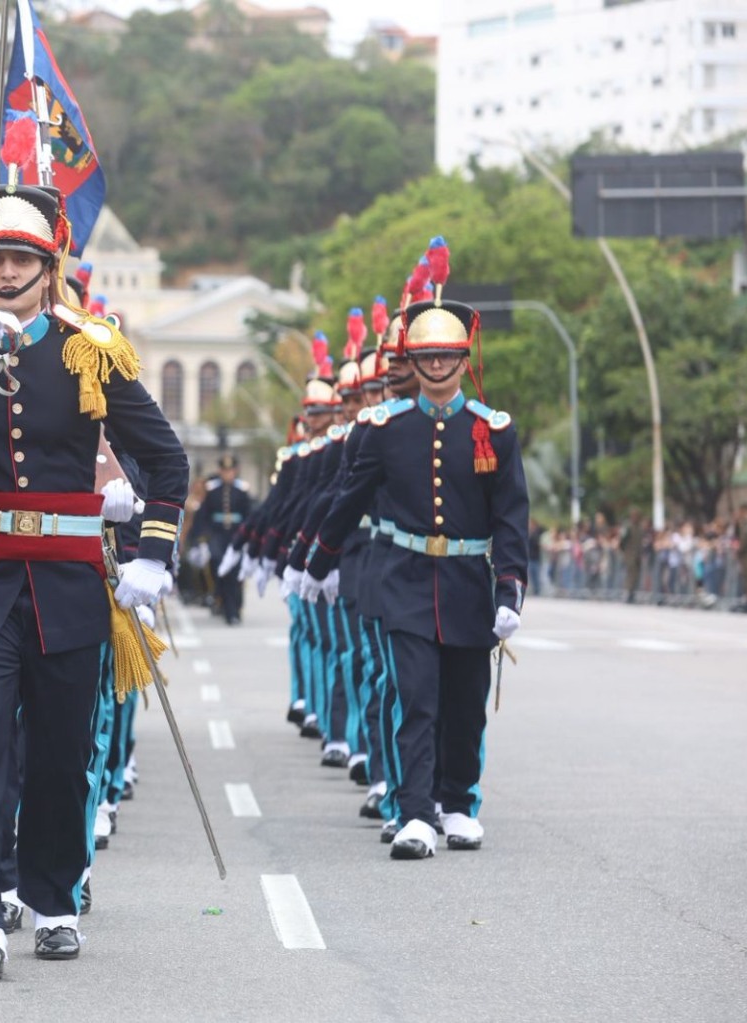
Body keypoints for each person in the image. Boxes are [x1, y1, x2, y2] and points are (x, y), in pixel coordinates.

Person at [0, 183, 187, 978]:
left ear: (48, 267)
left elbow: (170, 457)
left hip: (67, 583)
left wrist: (151, 550)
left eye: (18, 256)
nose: (4, 270)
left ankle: (53, 899)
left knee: (58, 755)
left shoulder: (89, 350)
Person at [301, 256, 530, 862]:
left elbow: (511, 516)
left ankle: (459, 803)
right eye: (425, 357)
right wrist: (317, 565)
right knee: (415, 698)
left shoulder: (494, 431)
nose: (435, 366)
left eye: (446, 357)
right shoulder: (383, 428)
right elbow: (348, 500)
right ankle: (415, 811)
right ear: (412, 361)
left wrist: (510, 590)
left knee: (464, 701)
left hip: (466, 583)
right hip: (403, 580)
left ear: (463, 360)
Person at [188, 454, 252, 624]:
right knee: (218, 567)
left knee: (235, 572)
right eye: (224, 471)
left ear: (235, 471)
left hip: (236, 535)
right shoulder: (212, 490)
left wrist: (250, 538)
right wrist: (199, 540)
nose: (227, 474)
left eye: (230, 470)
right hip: (217, 535)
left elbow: (249, 516)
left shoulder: (242, 491)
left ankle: (235, 608)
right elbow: (203, 517)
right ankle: (223, 603)